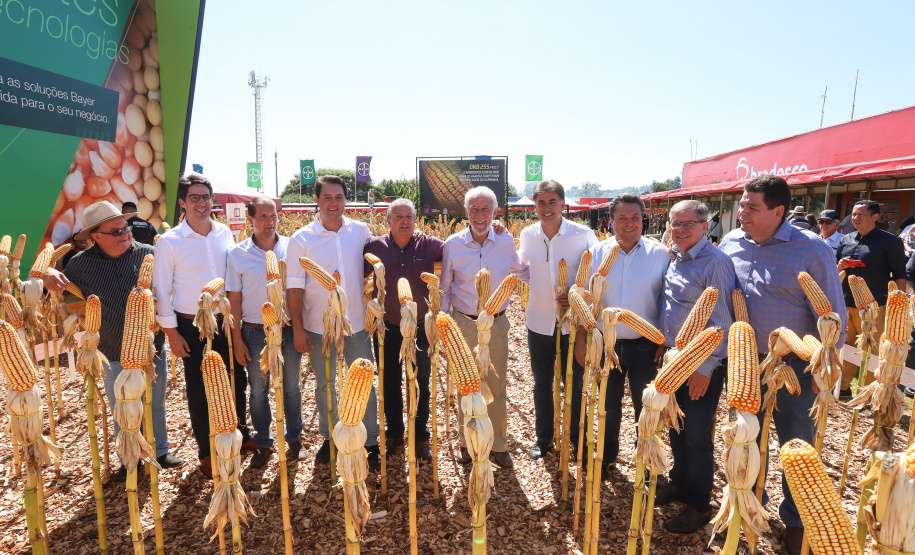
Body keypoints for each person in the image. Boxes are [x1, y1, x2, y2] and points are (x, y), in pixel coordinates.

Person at [719, 175, 846, 555]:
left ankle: (795, 522)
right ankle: (747, 506)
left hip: (796, 364)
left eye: (752, 207)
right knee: (745, 441)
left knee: (796, 446)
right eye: (741, 205)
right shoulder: (729, 244)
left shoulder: (812, 250)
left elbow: (833, 318)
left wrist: (823, 366)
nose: (742, 213)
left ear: (779, 211)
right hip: (745, 362)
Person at [42, 201, 183, 480]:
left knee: (154, 402)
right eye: (116, 231)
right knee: (123, 407)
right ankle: (129, 459)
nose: (125, 234)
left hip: (149, 346)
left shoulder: (150, 255)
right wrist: (44, 275)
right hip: (111, 348)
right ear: (96, 236)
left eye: (126, 228)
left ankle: (160, 450)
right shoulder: (79, 266)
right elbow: (67, 301)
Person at [154, 173, 253, 477]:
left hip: (225, 320)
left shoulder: (223, 233)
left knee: (235, 379)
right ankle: (206, 450)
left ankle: (239, 433)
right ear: (182, 203)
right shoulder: (170, 242)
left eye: (206, 197)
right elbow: (161, 290)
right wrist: (171, 333)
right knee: (199, 388)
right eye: (194, 198)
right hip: (191, 325)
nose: (201, 203)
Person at [653, 200, 736, 533]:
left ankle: (700, 505)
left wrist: (706, 367)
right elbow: (672, 304)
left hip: (701, 362)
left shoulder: (715, 263)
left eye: (689, 224)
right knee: (675, 425)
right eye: (675, 224)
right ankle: (679, 482)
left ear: (705, 226)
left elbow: (721, 323)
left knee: (698, 436)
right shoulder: (676, 255)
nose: (681, 230)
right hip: (674, 357)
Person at [287, 175, 380, 466]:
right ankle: (330, 439)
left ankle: (371, 441)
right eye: (327, 197)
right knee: (326, 384)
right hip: (318, 326)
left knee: (364, 382)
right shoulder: (300, 239)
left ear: (345, 200)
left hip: (356, 323)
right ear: (317, 200)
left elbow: (378, 258)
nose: (333, 203)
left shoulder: (361, 230)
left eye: (339, 197)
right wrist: (298, 329)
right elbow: (293, 288)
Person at [577, 193, 670, 474]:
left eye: (634, 217)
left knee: (648, 408)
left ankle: (647, 463)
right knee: (607, 406)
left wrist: (665, 341)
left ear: (644, 219)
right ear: (611, 220)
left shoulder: (662, 255)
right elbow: (586, 300)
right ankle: (605, 459)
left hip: (647, 346)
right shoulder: (596, 254)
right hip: (606, 344)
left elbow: (668, 301)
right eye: (622, 218)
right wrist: (582, 340)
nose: (628, 224)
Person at [441, 186, 528, 469]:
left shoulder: (505, 241)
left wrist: (549, 279)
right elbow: (445, 288)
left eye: (485, 209)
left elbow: (518, 270)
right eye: (474, 209)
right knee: (467, 386)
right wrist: (444, 326)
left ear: (495, 212)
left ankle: (498, 444)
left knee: (496, 385)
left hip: (497, 323)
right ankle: (467, 442)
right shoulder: (452, 244)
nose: (480, 215)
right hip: (464, 322)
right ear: (466, 213)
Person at [517, 180, 596, 460]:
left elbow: (597, 275)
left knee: (574, 384)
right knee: (542, 383)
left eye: (552, 202)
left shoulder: (583, 234)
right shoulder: (527, 235)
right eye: (541, 203)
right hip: (538, 321)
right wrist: (539, 286)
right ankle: (544, 438)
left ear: (563, 204)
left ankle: (576, 438)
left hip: (572, 324)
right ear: (534, 205)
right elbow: (522, 269)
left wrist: (577, 293)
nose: (547, 208)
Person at [226, 197, 304, 468]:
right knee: (258, 390)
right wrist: (236, 339)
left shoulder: (293, 248)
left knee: (292, 387)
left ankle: (294, 436)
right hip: (254, 331)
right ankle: (263, 440)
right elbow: (234, 300)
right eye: (263, 216)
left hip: (288, 328)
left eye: (273, 216)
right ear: (251, 219)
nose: (270, 222)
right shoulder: (237, 254)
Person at [364, 198, 444, 462]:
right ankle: (396, 431)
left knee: (420, 381)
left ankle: (420, 435)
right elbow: (357, 274)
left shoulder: (430, 245)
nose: (404, 221)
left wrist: (496, 228)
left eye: (409, 216)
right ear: (387, 221)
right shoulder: (374, 246)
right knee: (389, 381)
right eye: (398, 216)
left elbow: (459, 249)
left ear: (415, 220)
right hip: (387, 327)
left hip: (421, 327)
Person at [836, 199, 907, 396]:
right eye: (854, 214)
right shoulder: (846, 239)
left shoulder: (890, 242)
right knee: (845, 345)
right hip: (845, 302)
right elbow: (835, 268)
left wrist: (897, 303)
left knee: (872, 350)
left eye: (861, 214)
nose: (855, 218)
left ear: (875, 217)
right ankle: (843, 387)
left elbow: (900, 273)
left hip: (874, 305)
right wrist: (840, 266)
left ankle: (867, 392)